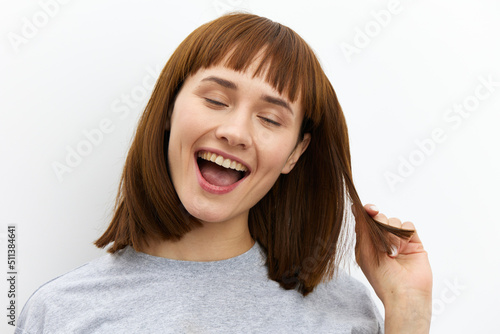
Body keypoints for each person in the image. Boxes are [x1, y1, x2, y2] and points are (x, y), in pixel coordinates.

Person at [16, 13, 432, 333]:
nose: (235, 132)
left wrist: (408, 312)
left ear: (295, 153)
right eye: (216, 100)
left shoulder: (342, 309)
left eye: (270, 119)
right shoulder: (61, 311)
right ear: (169, 109)